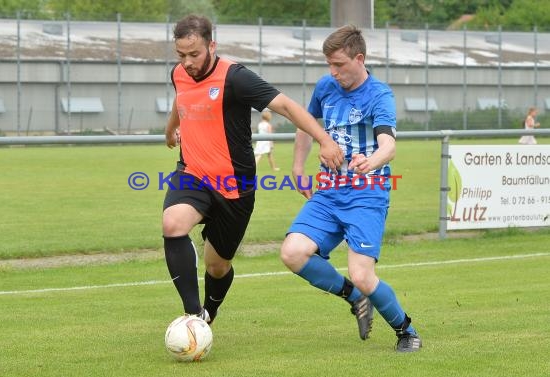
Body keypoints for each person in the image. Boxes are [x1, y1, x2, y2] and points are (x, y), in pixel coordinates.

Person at [163, 15, 343, 326]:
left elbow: (285, 106)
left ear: (212, 45)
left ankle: (210, 311)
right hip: (193, 173)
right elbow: (181, 99)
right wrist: (170, 130)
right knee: (173, 222)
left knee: (217, 266)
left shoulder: (235, 77)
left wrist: (324, 140)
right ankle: (193, 318)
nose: (188, 62)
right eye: (181, 55)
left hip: (235, 188)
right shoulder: (179, 73)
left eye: (195, 54)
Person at [280, 25, 422, 352]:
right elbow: (306, 125)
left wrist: (370, 162)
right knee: (292, 252)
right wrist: (298, 168)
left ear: (359, 59)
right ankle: (355, 297)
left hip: (366, 194)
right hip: (329, 192)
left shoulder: (379, 95)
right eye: (329, 64)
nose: (333, 72)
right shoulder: (326, 87)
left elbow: (389, 146)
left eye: (339, 65)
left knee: (362, 274)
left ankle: (406, 330)